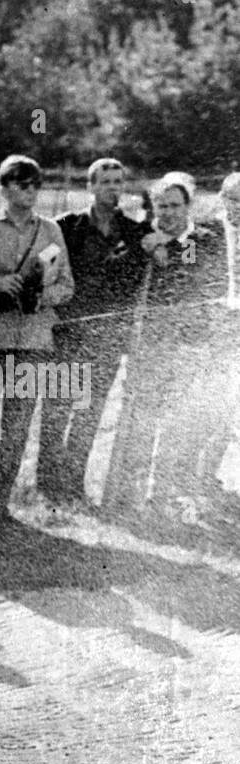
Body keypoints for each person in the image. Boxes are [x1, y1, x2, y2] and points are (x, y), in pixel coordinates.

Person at [0, 154, 74, 530]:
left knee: (17, 430)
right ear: (2, 188)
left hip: (33, 343)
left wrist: (40, 297)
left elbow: (67, 286)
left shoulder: (51, 229)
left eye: (36, 183)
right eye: (21, 183)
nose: (30, 190)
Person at [104, 175, 228, 527]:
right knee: (140, 423)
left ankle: (164, 496)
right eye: (162, 206)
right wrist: (141, 249)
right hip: (149, 346)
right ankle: (130, 496)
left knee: (176, 426)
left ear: (188, 207)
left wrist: (165, 251)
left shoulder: (201, 240)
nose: (168, 212)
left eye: (175, 206)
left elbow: (190, 274)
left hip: (188, 347)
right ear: (153, 208)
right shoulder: (142, 239)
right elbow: (116, 276)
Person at [37, 158, 150, 508]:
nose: (113, 187)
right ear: (90, 186)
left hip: (107, 338)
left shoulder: (133, 233)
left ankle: (73, 483)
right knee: (57, 409)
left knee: (89, 413)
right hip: (67, 334)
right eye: (105, 181)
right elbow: (44, 266)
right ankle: (46, 484)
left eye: (118, 181)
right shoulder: (65, 227)